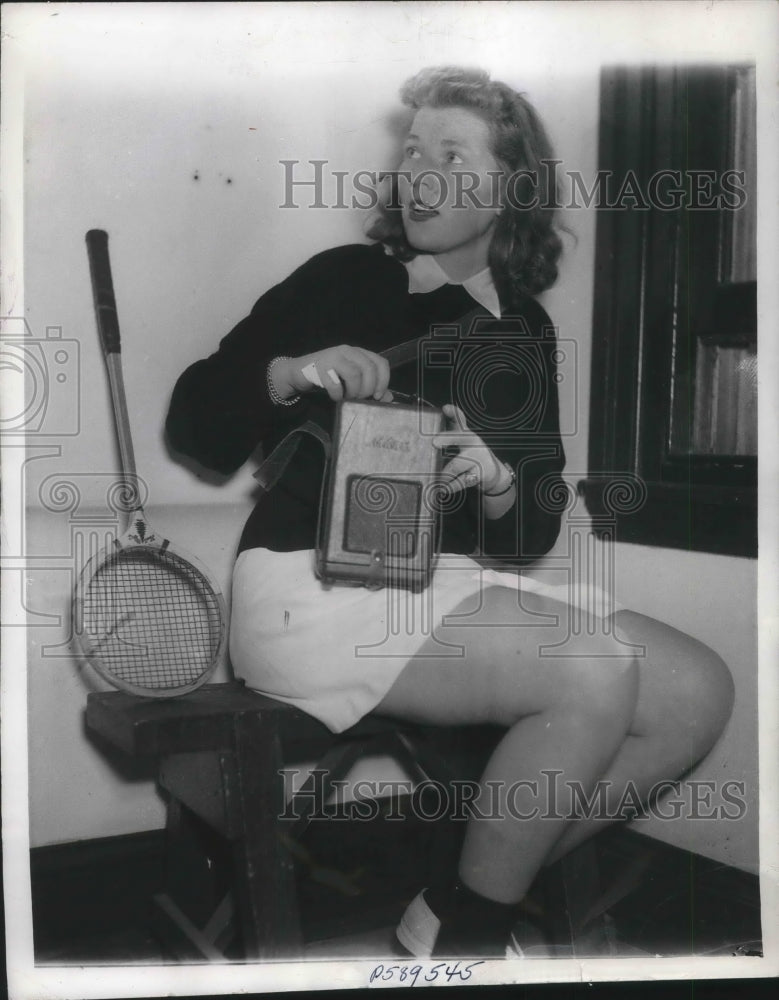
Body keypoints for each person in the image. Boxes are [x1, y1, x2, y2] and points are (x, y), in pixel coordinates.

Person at [166, 66, 734, 958]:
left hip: (440, 585)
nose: (419, 175)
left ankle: (453, 889)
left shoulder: (525, 331)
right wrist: (288, 371)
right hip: (303, 589)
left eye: (452, 154)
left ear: (511, 187)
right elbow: (193, 418)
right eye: (412, 151)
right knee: (588, 672)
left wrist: (500, 479)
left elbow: (530, 532)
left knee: (695, 690)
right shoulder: (345, 277)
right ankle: (468, 935)